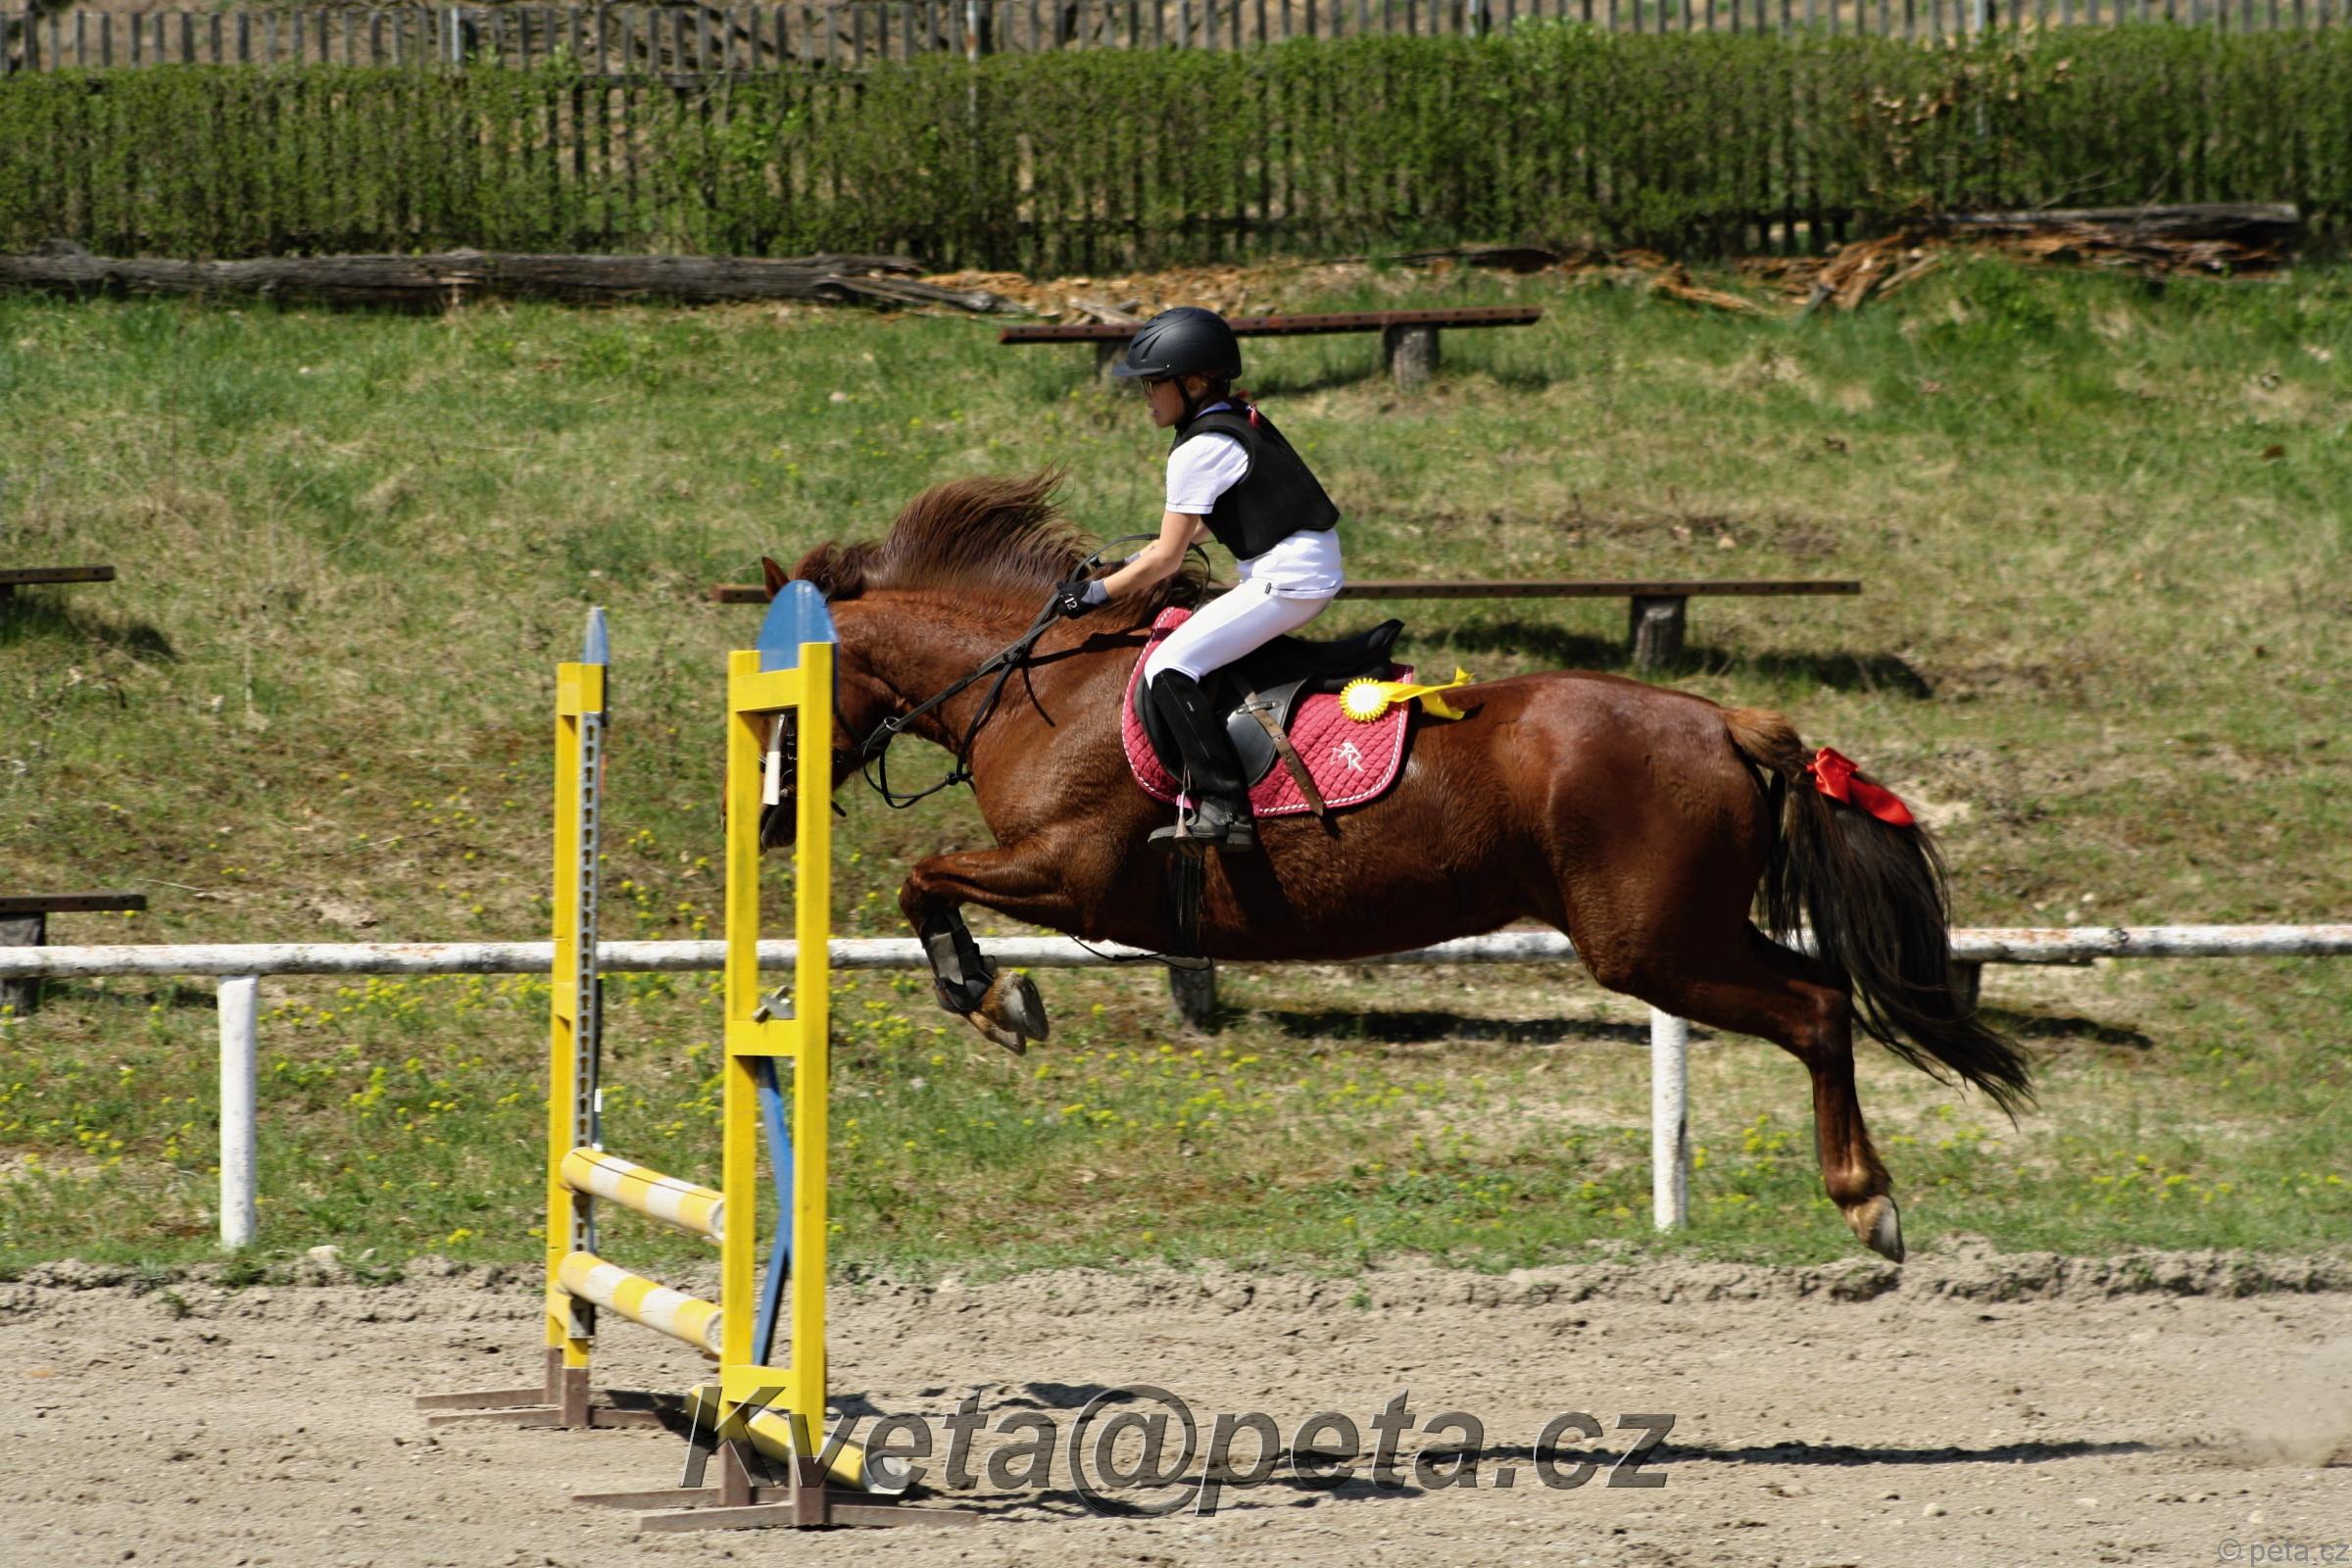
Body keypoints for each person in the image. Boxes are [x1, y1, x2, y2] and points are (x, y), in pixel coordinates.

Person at [1054, 307, 1344, 852]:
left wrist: (1092, 594)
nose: (1145, 395)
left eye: (1153, 383)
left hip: (1288, 580)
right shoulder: (1231, 417)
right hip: (1302, 569)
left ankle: (1225, 808)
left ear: (1190, 383)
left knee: (1167, 667)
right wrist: (1138, 559)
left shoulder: (1199, 447)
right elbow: (1204, 527)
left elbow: (1167, 560)